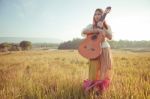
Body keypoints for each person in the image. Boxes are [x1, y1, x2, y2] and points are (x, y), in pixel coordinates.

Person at [81, 8, 113, 95]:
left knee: (103, 70)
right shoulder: (90, 26)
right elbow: (83, 32)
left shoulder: (107, 27)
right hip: (93, 49)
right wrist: (96, 30)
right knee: (93, 70)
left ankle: (100, 91)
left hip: (104, 48)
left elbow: (110, 37)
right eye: (95, 14)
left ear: (103, 15)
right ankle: (92, 89)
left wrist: (103, 30)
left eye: (99, 14)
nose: (97, 16)